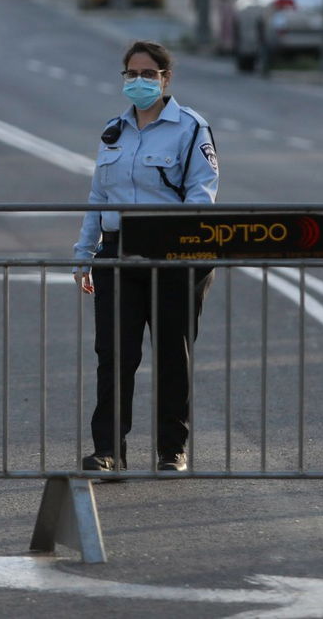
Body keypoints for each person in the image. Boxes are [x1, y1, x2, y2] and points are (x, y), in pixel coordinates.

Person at [73, 41, 219, 474]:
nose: (139, 81)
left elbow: (201, 194)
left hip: (172, 252)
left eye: (148, 74)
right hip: (118, 252)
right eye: (131, 74)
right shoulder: (113, 130)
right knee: (113, 354)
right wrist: (84, 254)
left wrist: (183, 244)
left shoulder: (191, 128)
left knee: (173, 354)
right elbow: (98, 197)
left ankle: (172, 448)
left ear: (165, 78)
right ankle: (108, 450)